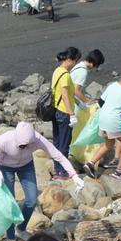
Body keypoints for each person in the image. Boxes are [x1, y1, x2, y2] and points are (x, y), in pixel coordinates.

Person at [0, 122, 83, 240]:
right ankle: (10, 236)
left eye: (27, 145)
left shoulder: (38, 139)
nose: (24, 147)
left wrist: (74, 176)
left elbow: (58, 156)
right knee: (9, 203)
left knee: (32, 200)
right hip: (5, 167)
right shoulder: (5, 140)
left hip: (26, 166)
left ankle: (20, 229)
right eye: (21, 146)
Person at [50, 47, 79, 179]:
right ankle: (62, 171)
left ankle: (57, 169)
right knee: (64, 142)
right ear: (70, 60)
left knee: (57, 141)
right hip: (64, 112)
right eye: (76, 61)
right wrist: (72, 114)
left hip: (55, 111)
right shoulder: (66, 75)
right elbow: (65, 95)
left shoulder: (57, 71)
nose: (75, 64)